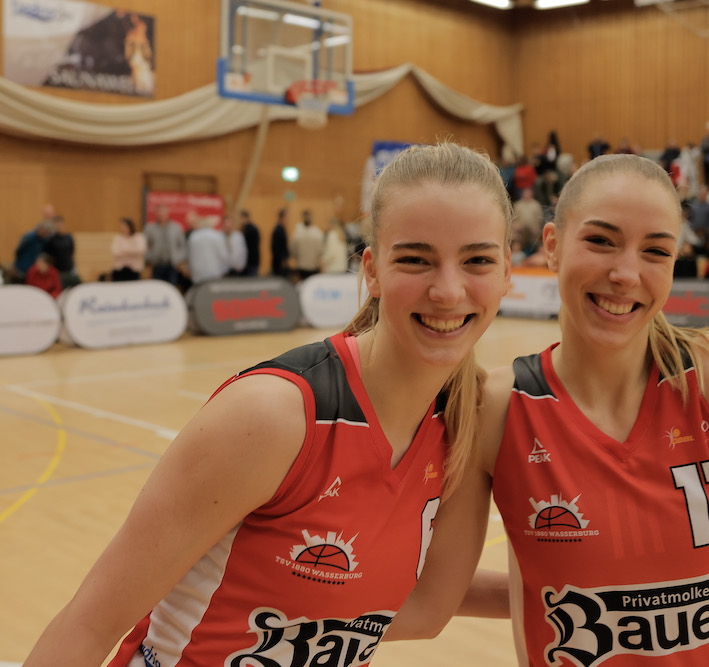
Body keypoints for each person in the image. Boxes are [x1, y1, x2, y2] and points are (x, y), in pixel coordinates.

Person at [23, 142, 514, 667]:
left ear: (508, 271)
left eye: (477, 260)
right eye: (415, 259)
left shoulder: (463, 424)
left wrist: (574, 579)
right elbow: (89, 624)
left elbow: (426, 610)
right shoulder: (273, 416)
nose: (448, 290)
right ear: (371, 270)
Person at [478, 154, 709, 666]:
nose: (626, 273)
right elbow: (424, 594)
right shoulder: (498, 407)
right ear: (552, 245)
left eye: (656, 251)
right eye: (601, 241)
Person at [145, 205, 187, 287]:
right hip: (156, 265)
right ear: (156, 214)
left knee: (171, 287)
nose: (161, 215)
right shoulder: (150, 228)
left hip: (172, 265)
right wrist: (149, 257)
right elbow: (145, 245)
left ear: (167, 213)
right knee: (157, 288)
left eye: (163, 213)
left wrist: (178, 259)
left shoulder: (176, 227)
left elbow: (183, 246)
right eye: (159, 213)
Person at [110, 217, 146, 281]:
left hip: (134, 269)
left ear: (130, 226)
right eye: (122, 226)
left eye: (125, 226)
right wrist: (132, 251)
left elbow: (140, 250)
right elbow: (115, 252)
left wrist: (124, 250)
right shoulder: (117, 238)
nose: (123, 228)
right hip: (119, 269)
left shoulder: (138, 237)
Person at [239, 209, 261, 276]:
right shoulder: (246, 229)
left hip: (251, 260)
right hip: (249, 260)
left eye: (242, 218)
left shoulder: (250, 229)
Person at [270, 207, 291, 277]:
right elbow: (276, 248)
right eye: (287, 218)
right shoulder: (278, 230)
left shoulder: (282, 229)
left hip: (281, 262)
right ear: (282, 218)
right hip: (279, 264)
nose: (288, 220)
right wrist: (282, 260)